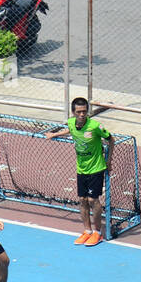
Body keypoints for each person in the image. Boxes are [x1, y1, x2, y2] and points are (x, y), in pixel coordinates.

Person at [46, 96, 113, 246]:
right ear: (73, 112)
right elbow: (70, 129)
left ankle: (98, 233)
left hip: (96, 168)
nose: (82, 115)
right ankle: (87, 231)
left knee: (92, 200)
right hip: (81, 168)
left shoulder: (95, 126)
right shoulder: (71, 122)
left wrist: (109, 161)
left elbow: (111, 139)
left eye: (84, 112)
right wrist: (54, 134)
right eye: (79, 112)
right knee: (82, 200)